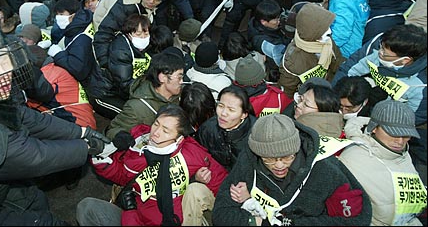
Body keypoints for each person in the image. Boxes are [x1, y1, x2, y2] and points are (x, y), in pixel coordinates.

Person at [0, 19, 108, 225]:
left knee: (32, 197)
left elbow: (28, 118)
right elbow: (34, 157)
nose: (6, 73)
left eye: (5, 62)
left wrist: (82, 132)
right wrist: (87, 147)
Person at [76, 104, 228, 226]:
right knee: (86, 208)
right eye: (156, 124)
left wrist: (197, 180)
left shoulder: (192, 154)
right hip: (139, 215)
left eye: (165, 131)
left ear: (179, 138)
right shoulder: (137, 143)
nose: (155, 132)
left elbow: (221, 182)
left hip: (170, 219)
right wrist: (103, 154)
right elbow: (122, 175)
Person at [211, 113, 373, 226]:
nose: (279, 165)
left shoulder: (325, 167)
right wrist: (258, 222)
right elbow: (221, 214)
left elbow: (358, 220)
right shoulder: (247, 161)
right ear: (258, 154)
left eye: (288, 157)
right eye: (269, 160)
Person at [331, 24, 427, 183]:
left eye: (385, 53)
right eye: (381, 48)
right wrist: (337, 99)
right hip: (370, 101)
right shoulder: (381, 42)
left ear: (405, 60)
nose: (379, 53)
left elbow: (408, 122)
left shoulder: (421, 87)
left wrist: (370, 128)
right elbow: (349, 68)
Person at [339, 100, 427, 225]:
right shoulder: (352, 159)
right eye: (393, 133)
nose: (400, 141)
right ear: (374, 128)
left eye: (407, 135)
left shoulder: (403, 154)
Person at [182, 85, 257, 225]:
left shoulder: (258, 134)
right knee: (193, 190)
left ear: (244, 114)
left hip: (247, 198)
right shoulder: (207, 129)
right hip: (218, 190)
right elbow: (194, 159)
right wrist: (196, 176)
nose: (223, 113)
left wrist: (251, 194)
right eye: (220, 106)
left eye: (231, 110)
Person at [93, 0, 173, 69]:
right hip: (103, 28)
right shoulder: (125, 5)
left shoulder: (146, 1)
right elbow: (103, 34)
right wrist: (105, 64)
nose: (152, 1)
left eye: (157, 0)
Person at [105, 50, 185, 140]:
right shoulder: (136, 108)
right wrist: (120, 136)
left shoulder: (181, 95)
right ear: (163, 77)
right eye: (179, 77)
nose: (181, 82)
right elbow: (112, 131)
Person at [278, 3, 345, 98]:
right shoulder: (293, 62)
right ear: (312, 33)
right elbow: (287, 93)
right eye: (324, 29)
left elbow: (338, 63)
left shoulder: (326, 41)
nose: (329, 31)